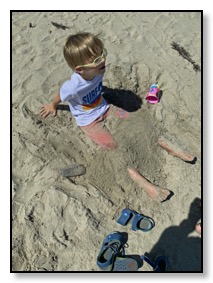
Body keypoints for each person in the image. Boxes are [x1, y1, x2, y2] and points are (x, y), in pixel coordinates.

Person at [40, 32, 128, 149]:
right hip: (88, 120)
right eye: (96, 60)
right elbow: (61, 95)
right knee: (111, 145)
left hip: (104, 107)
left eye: (103, 54)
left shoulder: (98, 71)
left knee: (129, 118)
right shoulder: (73, 86)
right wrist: (52, 105)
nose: (103, 60)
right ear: (81, 69)